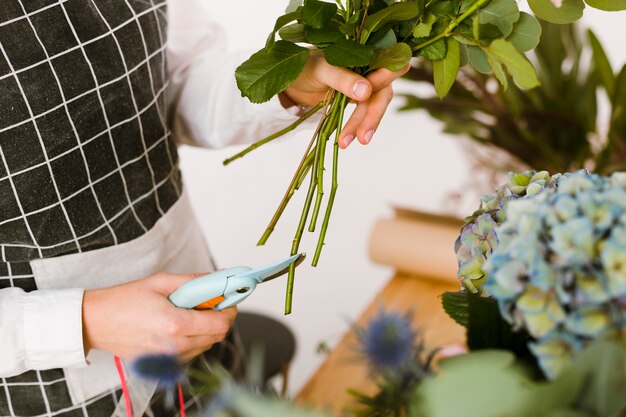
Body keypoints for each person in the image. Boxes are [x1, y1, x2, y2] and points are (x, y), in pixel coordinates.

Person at [0, 0, 408, 415]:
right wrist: (81, 322)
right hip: (52, 386)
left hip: (198, 321)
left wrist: (286, 84)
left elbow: (174, 81)